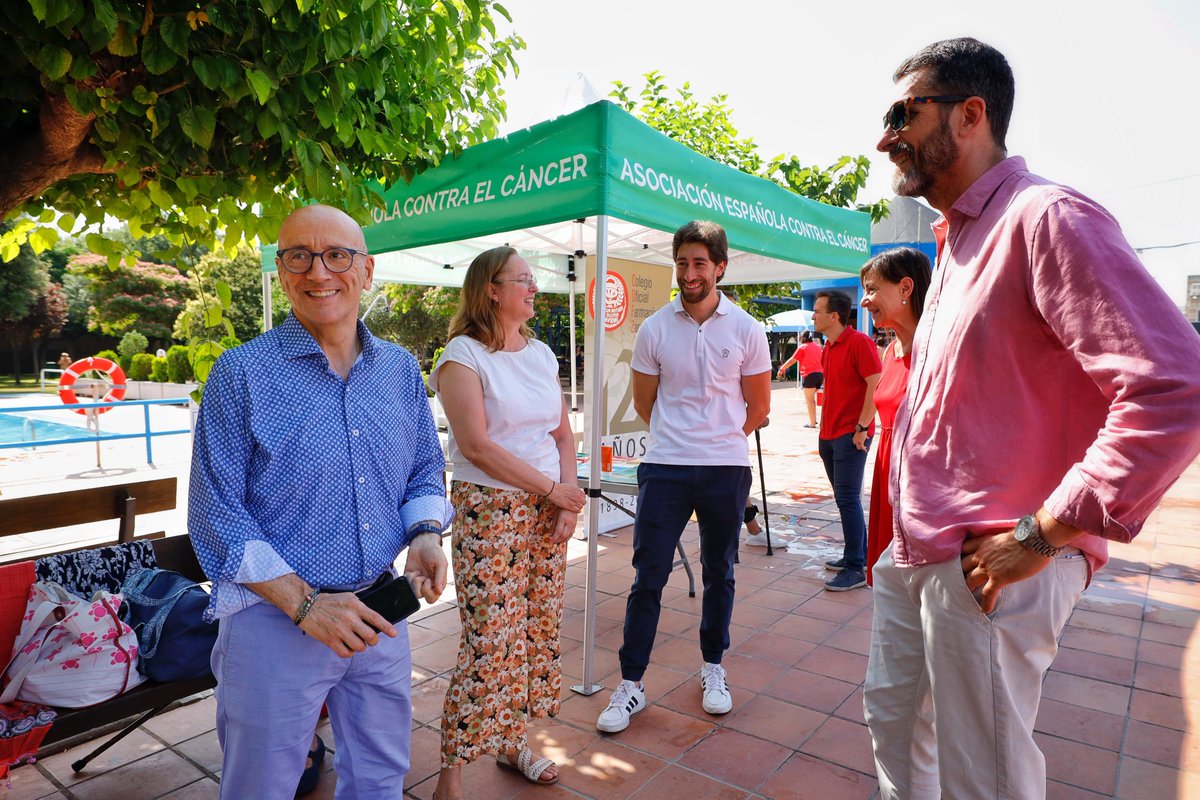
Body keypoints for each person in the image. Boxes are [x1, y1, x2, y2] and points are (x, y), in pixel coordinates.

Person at [864, 38, 1200, 800]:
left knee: (983, 781)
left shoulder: (1045, 217)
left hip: (991, 568)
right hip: (916, 555)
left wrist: (1042, 533)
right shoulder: (955, 244)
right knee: (895, 731)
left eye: (903, 113)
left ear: (970, 114)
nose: (886, 138)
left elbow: (1174, 387)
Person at [188, 204, 451, 800]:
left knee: (381, 778)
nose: (318, 271)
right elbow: (216, 512)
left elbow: (422, 468)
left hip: (380, 613)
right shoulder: (241, 373)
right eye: (298, 257)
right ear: (281, 273)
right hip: (275, 622)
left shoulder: (399, 370)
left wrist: (425, 535)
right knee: (260, 788)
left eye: (336, 255)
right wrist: (306, 605)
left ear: (367, 270)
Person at [595, 220, 771, 734]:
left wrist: (719, 439)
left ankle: (713, 667)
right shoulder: (654, 329)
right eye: (681, 263)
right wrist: (683, 440)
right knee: (648, 575)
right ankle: (631, 683)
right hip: (666, 467)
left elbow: (759, 408)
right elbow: (645, 404)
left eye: (699, 263)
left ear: (719, 268)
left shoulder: (747, 330)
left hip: (726, 469)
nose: (689, 273)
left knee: (721, 572)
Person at [427, 247, 585, 799]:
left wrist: (567, 501)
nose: (534, 287)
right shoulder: (462, 356)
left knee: (533, 631)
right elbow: (475, 446)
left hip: (545, 509)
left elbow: (562, 435)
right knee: (490, 641)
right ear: (491, 290)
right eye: (523, 279)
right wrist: (553, 490)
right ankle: (450, 775)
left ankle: (512, 743)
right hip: (491, 509)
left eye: (533, 279)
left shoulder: (540, 354)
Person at [857, 248, 931, 585]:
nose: (864, 301)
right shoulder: (890, 351)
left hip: (922, 483)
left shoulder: (939, 350)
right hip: (888, 473)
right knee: (891, 591)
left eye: (872, 290)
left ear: (905, 288)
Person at [812, 290, 881, 591]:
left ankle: (855, 568)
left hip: (851, 436)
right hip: (829, 435)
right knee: (843, 499)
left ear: (834, 316)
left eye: (817, 311)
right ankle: (858, 554)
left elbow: (876, 383)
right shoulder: (828, 346)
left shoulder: (859, 342)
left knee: (848, 499)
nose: (813, 316)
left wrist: (862, 427)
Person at [774, 330, 823, 429]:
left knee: (810, 400)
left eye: (800, 337)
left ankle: (812, 423)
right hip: (820, 375)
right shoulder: (818, 347)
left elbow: (792, 360)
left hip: (809, 375)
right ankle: (820, 422)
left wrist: (782, 369)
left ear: (803, 338)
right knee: (819, 400)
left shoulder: (802, 347)